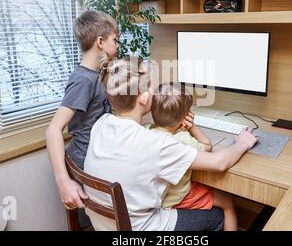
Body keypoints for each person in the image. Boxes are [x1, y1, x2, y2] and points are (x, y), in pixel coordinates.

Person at [83, 56, 258, 230]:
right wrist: (242, 143)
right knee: (218, 216)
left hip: (104, 224)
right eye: (150, 84)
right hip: (142, 228)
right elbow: (220, 163)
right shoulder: (156, 143)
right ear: (142, 97)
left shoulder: (101, 123)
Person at [45, 10, 119, 210]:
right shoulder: (83, 80)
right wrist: (63, 183)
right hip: (88, 159)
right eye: (115, 39)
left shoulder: (97, 74)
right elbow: (53, 130)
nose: (117, 45)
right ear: (100, 42)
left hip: (99, 153)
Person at [147, 82, 239, 231]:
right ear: (186, 116)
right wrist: (192, 127)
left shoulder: (147, 131)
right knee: (228, 201)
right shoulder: (183, 140)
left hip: (159, 198)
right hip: (178, 198)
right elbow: (207, 147)